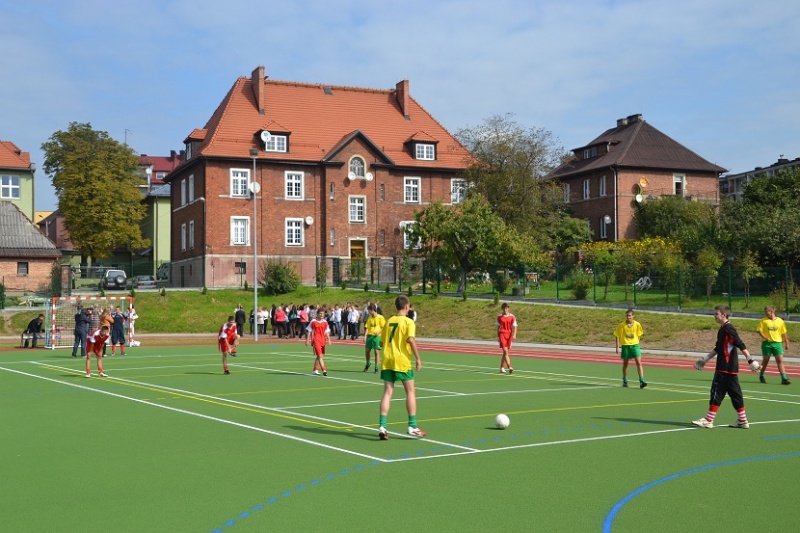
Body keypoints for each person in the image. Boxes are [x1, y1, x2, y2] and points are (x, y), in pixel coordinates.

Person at [692, 305, 758, 429]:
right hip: (730, 368)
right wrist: (705, 359)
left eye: (716, 314)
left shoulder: (728, 328)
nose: (714, 316)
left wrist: (751, 360)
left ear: (723, 315)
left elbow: (739, 343)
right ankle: (742, 420)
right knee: (735, 394)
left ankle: (708, 420)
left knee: (717, 391)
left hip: (724, 367)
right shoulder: (722, 330)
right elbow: (718, 348)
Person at [377, 295, 426, 440]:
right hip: (402, 361)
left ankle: (382, 426)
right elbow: (410, 339)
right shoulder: (409, 322)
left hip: (388, 360)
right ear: (406, 306)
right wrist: (417, 358)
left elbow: (382, 342)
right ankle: (412, 425)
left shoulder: (389, 320)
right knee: (410, 391)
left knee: (387, 392)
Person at [613, 308, 647, 388]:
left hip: (635, 346)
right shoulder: (622, 325)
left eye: (630, 316)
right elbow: (617, 335)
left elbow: (639, 335)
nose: (629, 317)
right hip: (625, 346)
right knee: (625, 364)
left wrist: (636, 342)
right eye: (627, 316)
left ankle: (642, 381)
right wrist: (617, 347)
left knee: (639, 362)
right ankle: (625, 380)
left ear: (633, 316)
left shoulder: (637, 324)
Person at [757, 306, 791, 385]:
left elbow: (784, 333)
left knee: (780, 360)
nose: (766, 313)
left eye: (767, 311)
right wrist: (765, 338)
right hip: (767, 344)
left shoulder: (780, 321)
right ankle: (761, 375)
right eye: (765, 312)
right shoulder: (763, 321)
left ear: (772, 311)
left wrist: (787, 343)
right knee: (766, 361)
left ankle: (784, 378)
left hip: (777, 343)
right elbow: (760, 331)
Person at [306, 311, 331, 376]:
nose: (321, 315)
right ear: (317, 314)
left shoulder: (325, 322)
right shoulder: (313, 321)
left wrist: (329, 339)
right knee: (320, 356)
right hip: (316, 340)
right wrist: (307, 340)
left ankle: (315, 370)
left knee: (319, 356)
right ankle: (324, 370)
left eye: (322, 313)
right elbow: (309, 331)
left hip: (323, 340)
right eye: (320, 313)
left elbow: (327, 331)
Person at [364, 304, 386, 373]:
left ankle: (376, 367)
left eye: (369, 311)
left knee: (376, 352)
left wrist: (379, 332)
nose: (369, 312)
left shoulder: (380, 317)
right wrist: (365, 336)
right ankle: (368, 363)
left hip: (377, 337)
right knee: (367, 351)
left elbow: (383, 327)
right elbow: (367, 327)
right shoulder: (369, 318)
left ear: (373, 310)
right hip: (370, 336)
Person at [496, 303, 517, 374]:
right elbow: (498, 327)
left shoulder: (512, 316)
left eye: (506, 308)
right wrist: (498, 336)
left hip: (509, 335)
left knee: (505, 352)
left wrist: (514, 335)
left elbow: (515, 326)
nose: (505, 310)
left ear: (508, 308)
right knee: (505, 351)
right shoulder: (499, 317)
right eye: (504, 308)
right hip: (502, 334)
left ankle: (501, 367)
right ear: (502, 309)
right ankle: (509, 366)